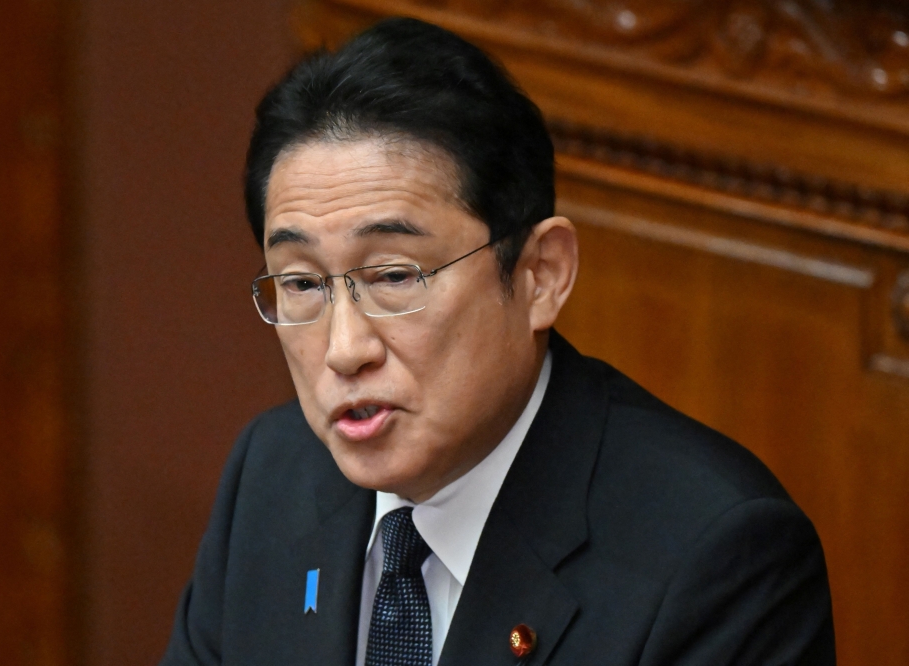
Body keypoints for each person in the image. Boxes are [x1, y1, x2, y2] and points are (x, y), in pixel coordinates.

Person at [159, 17, 834, 666]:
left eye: (394, 275)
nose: (343, 349)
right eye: (302, 284)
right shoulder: (273, 477)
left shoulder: (715, 556)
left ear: (542, 274)